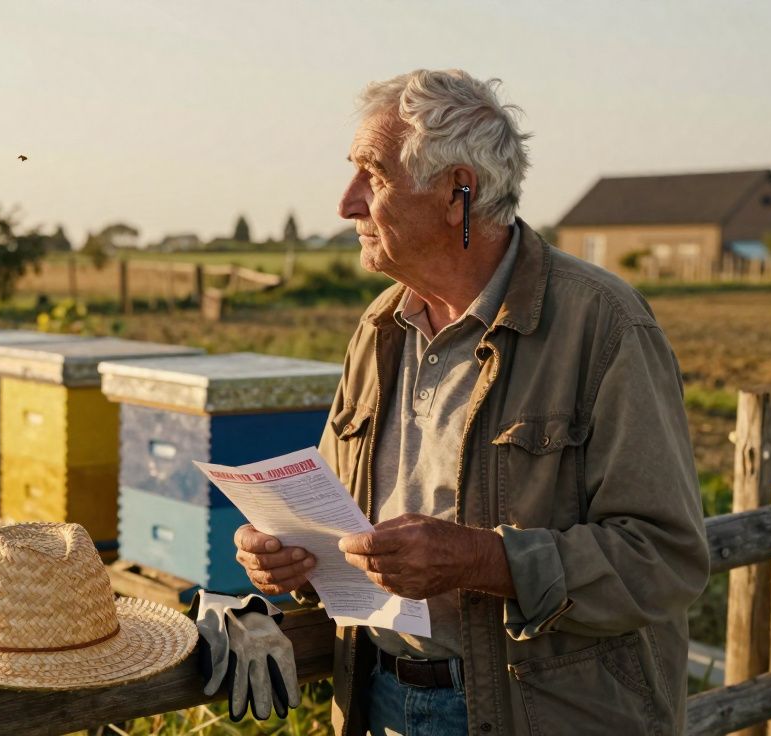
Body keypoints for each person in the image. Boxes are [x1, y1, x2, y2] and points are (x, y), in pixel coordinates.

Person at [233, 69, 709, 735]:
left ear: (458, 192)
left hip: (547, 716)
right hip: (381, 701)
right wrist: (287, 556)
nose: (346, 205)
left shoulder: (603, 324)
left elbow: (667, 560)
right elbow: (343, 522)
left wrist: (483, 559)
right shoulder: (379, 328)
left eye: (371, 175)